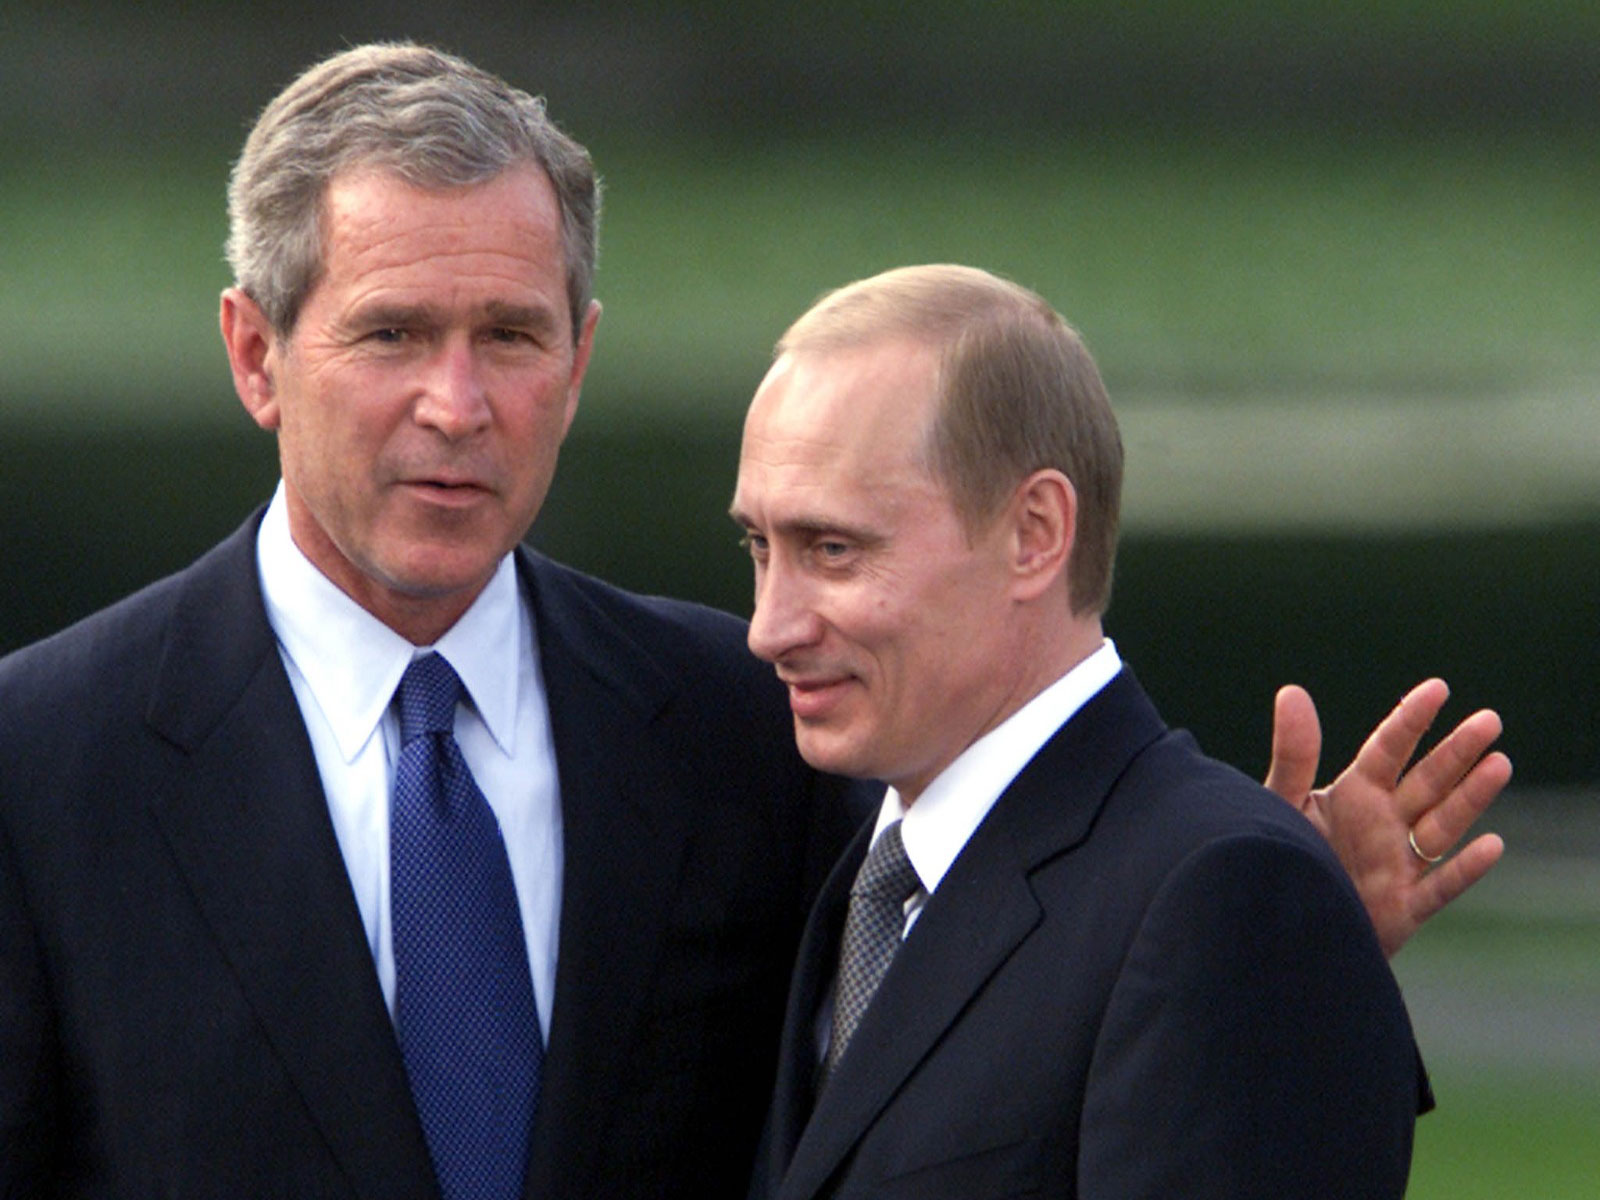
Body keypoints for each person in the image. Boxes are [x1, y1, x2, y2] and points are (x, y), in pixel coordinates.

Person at [0, 44, 1503, 1200]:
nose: (457, 404)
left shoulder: (749, 730)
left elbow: (985, 1023)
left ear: (580, 359)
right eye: (392, 333)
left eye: (510, 336)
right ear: (255, 355)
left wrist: (1254, 936)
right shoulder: (40, 764)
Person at [730, 264, 1498, 1200]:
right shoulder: (866, 884)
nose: (770, 626)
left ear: (1035, 533)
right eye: (760, 546)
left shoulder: (1226, 898)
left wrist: (1261, 924)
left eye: (833, 550)